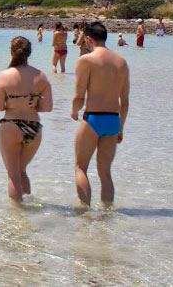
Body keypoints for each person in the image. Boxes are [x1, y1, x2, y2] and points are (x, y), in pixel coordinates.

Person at [71, 21, 130, 206]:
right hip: (113, 120)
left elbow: (79, 96)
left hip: (93, 118)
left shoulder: (86, 60)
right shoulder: (121, 62)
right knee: (105, 173)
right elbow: (125, 102)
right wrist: (120, 128)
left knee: (80, 168)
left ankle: (84, 214)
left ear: (89, 39)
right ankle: (106, 217)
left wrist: (74, 112)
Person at [0, 37, 53, 203]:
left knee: (13, 175)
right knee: (22, 170)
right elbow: (47, 107)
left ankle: (17, 216)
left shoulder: (3, 76)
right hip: (33, 127)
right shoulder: (40, 76)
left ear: (11, 51)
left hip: (11, 126)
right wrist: (29, 104)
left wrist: (13, 103)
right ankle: (28, 206)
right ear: (29, 53)